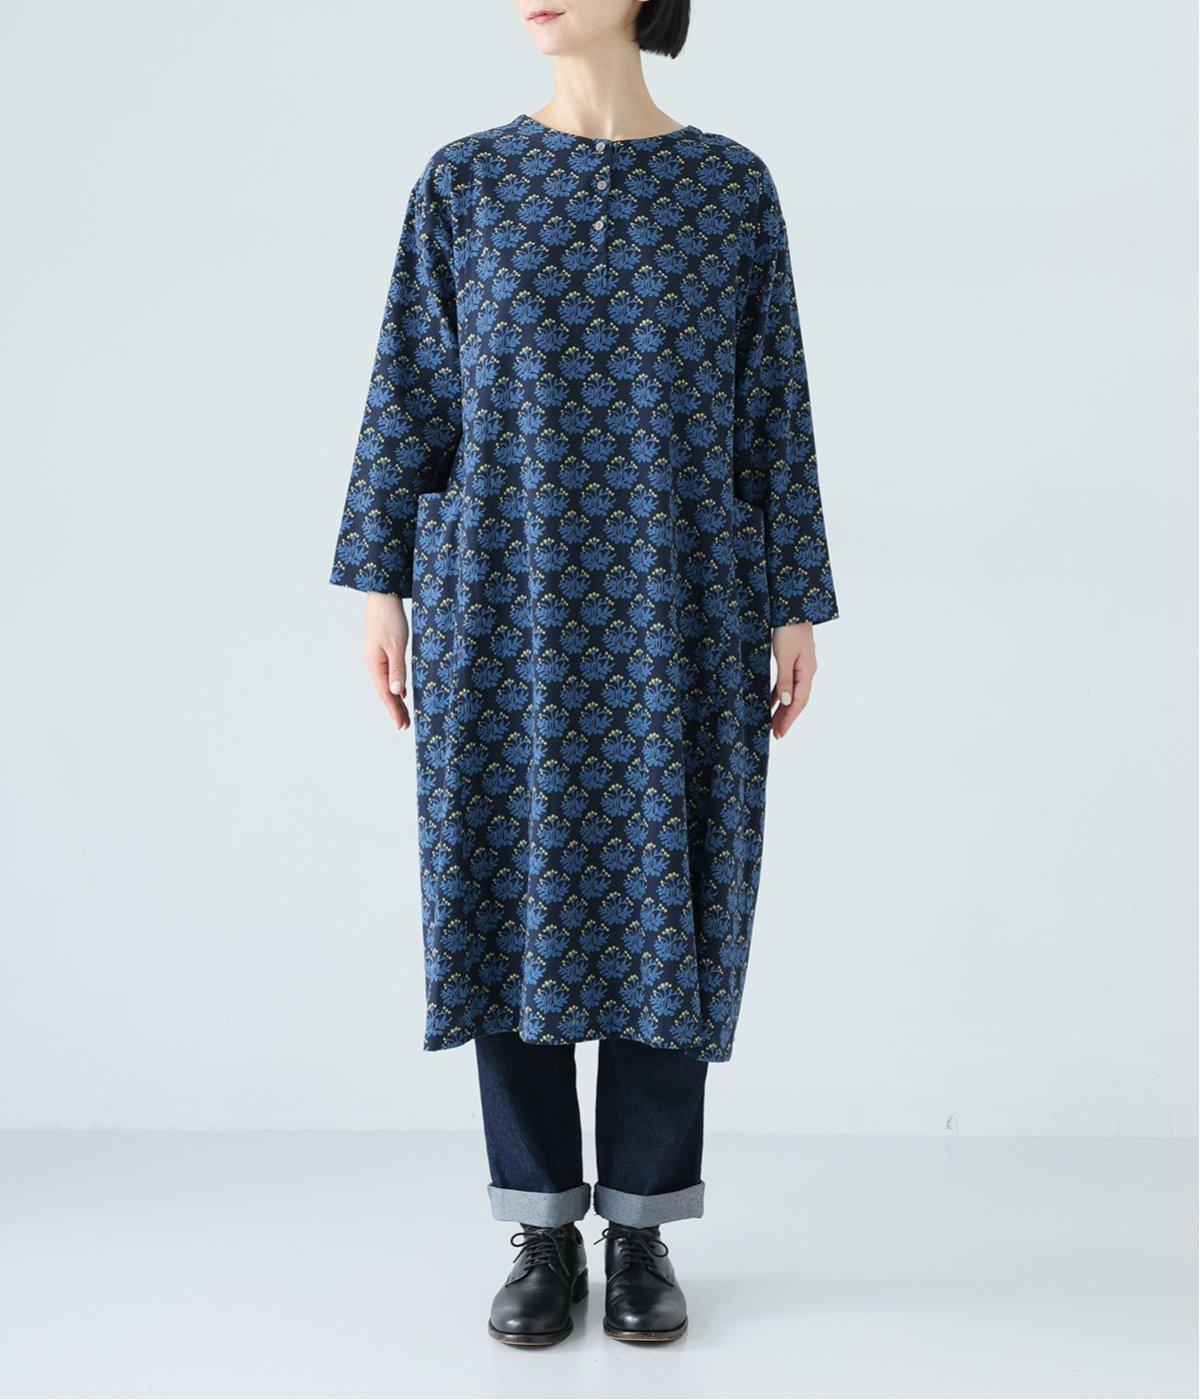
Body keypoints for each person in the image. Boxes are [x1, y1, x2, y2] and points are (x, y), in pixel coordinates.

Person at [329, 0, 838, 1347]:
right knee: (510, 884)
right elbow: (411, 387)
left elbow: (772, 400)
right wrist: (381, 583)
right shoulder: (465, 183)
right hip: (502, 596)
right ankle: (541, 1225)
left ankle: (645, 1227)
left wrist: (795, 599)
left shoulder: (729, 190)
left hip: (684, 596)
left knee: (673, 886)